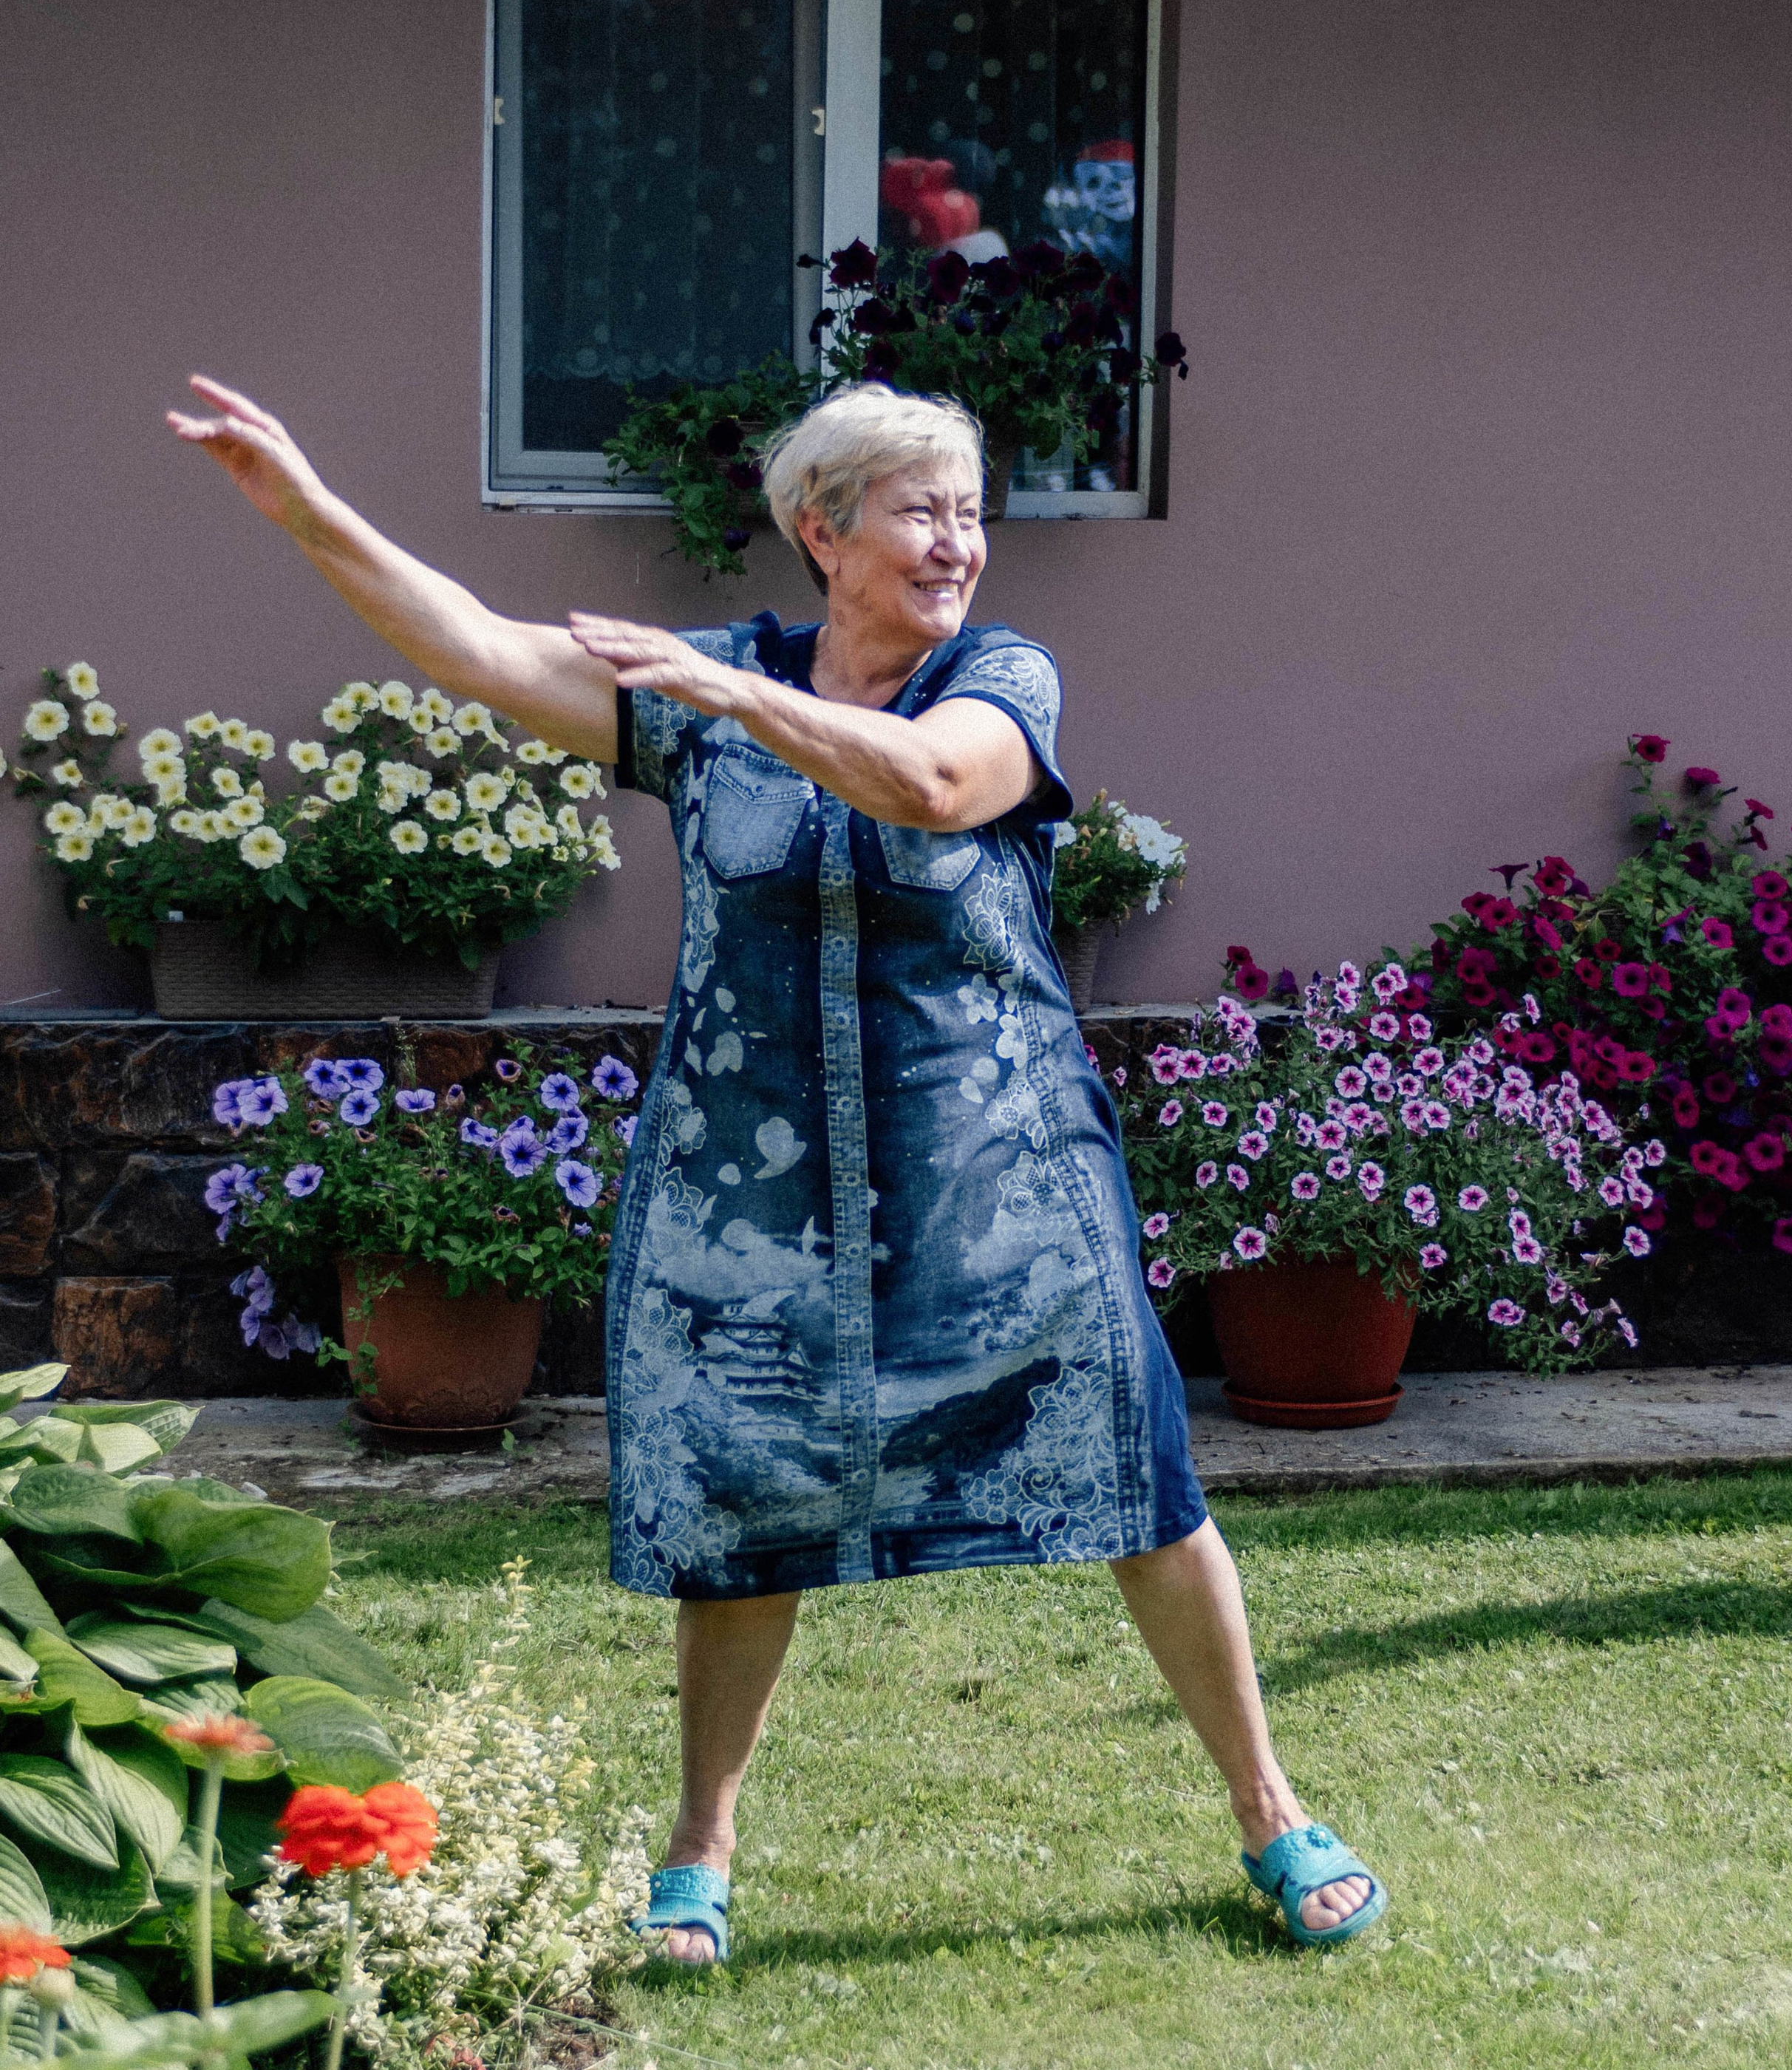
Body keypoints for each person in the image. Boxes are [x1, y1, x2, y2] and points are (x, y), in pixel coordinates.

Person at [167, 373, 1386, 1961]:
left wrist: (734, 702)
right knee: (740, 1499)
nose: (955, 541)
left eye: (968, 510)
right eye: (918, 509)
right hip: (750, 1198)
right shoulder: (697, 689)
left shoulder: (995, 678)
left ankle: (1267, 1812)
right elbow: (469, 642)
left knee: (1135, 1478)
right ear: (822, 529)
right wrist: (307, 508)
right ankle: (701, 1849)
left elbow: (935, 787)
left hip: (996, 1166)